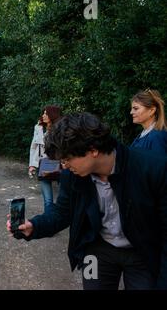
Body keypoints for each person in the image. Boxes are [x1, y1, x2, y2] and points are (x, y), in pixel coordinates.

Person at [9, 112, 167, 290]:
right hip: (96, 249)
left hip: (142, 252)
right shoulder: (72, 175)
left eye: (67, 159)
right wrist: (34, 226)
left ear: (93, 149)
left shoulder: (154, 169)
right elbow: (62, 212)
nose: (64, 166)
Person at [28, 106, 62, 212]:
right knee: (47, 199)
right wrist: (32, 164)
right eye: (43, 113)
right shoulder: (38, 127)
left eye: (46, 113)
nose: (43, 115)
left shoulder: (60, 128)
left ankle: (63, 217)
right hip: (42, 164)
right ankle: (49, 219)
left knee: (64, 196)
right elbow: (34, 147)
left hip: (59, 164)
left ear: (53, 115)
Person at [130, 89, 167, 155]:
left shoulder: (157, 137)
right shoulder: (143, 135)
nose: (131, 112)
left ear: (152, 110)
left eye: (136, 108)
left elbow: (159, 164)